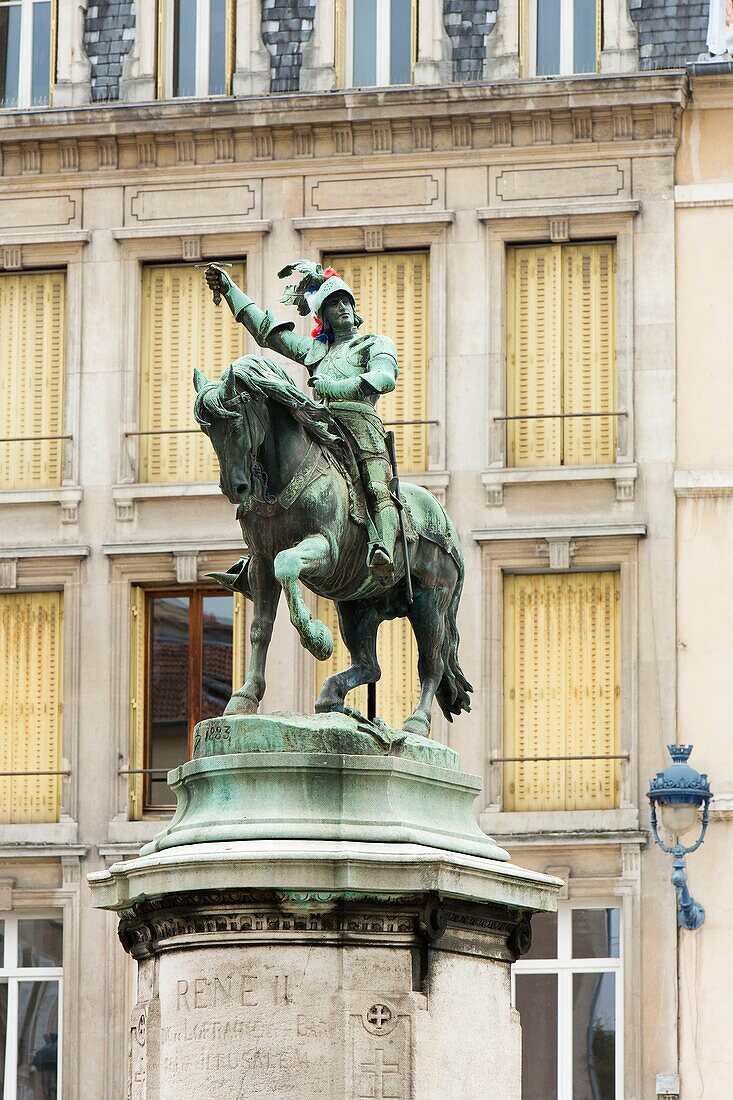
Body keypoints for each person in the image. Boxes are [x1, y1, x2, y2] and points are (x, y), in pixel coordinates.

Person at [205, 262, 400, 581]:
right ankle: (257, 555)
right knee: (271, 471)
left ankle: (384, 552)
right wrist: (229, 289)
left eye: (346, 302)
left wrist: (337, 387)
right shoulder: (316, 351)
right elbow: (268, 332)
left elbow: (384, 377)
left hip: (362, 429)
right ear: (323, 315)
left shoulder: (374, 343)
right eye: (334, 304)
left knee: (377, 488)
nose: (343, 308)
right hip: (323, 427)